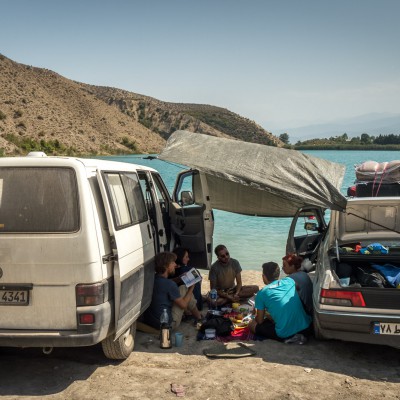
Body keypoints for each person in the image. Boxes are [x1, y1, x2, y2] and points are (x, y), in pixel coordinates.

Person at [249, 262, 312, 344]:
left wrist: (254, 317)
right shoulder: (289, 281)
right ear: (278, 275)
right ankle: (297, 334)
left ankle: (291, 337)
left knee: (251, 324)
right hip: (306, 328)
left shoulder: (262, 293)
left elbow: (260, 321)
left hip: (285, 333)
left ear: (263, 276)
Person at [143, 251, 202, 330]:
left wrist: (178, 278)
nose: (175, 264)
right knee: (184, 288)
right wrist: (191, 288)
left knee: (182, 289)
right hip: (167, 324)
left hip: (151, 321)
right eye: (173, 262)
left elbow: (166, 284)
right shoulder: (170, 285)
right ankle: (199, 317)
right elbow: (183, 305)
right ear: (166, 266)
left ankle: (198, 316)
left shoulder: (153, 279)